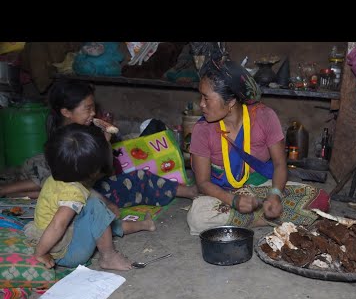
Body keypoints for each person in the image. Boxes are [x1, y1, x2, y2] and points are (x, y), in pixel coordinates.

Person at [0, 78, 198, 211]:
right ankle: (187, 191)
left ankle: (10, 192)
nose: (93, 113)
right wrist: (104, 144)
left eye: (93, 106)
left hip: (75, 187)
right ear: (66, 112)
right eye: (87, 108)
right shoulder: (68, 141)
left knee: (48, 184)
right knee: (139, 179)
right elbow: (95, 173)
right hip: (83, 191)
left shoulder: (77, 130)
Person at [186, 59, 329, 235]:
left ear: (230, 102)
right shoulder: (202, 130)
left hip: (262, 189)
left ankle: (245, 219)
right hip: (224, 195)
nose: (201, 104)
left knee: (319, 200)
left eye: (206, 98)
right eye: (201, 97)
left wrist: (275, 195)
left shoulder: (264, 117)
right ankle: (266, 219)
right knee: (197, 216)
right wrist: (233, 200)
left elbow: (279, 165)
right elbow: (203, 183)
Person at [24, 124, 155, 271]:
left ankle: (145, 225)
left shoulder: (60, 175)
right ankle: (109, 257)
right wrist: (40, 253)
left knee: (103, 219)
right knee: (96, 208)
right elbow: (57, 224)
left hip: (59, 238)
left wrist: (105, 137)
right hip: (67, 252)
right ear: (93, 172)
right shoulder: (74, 193)